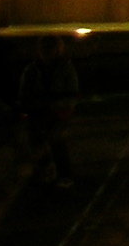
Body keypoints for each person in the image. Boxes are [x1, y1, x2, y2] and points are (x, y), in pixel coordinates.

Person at [17, 33, 81, 186]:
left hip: (57, 112)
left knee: (55, 138)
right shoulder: (33, 69)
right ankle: (48, 172)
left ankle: (62, 174)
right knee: (37, 138)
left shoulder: (64, 68)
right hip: (39, 111)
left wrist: (57, 106)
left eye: (49, 49)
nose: (46, 52)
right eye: (44, 49)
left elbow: (71, 95)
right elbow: (24, 93)